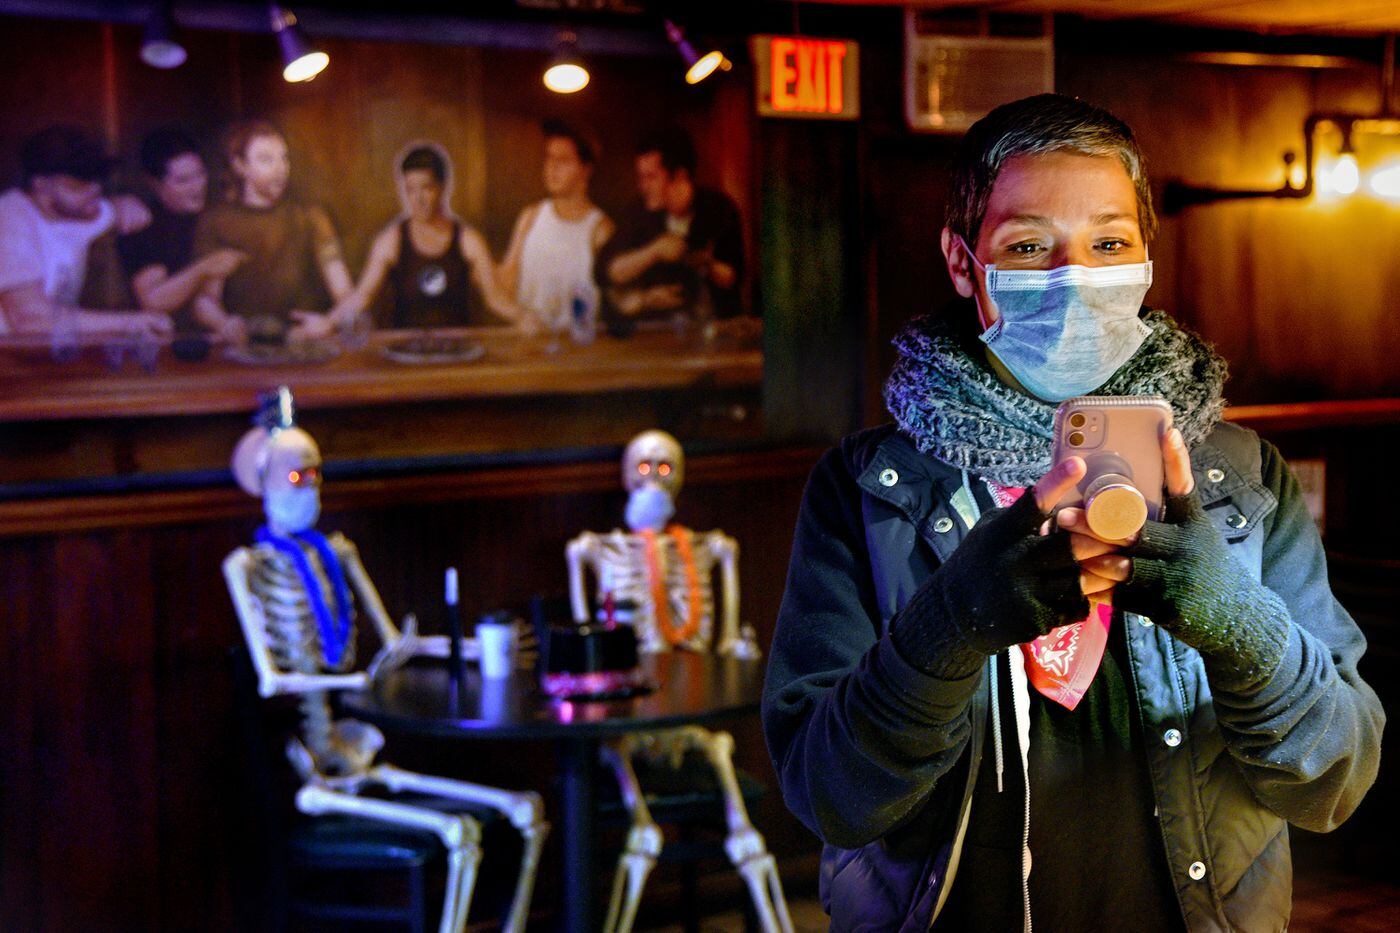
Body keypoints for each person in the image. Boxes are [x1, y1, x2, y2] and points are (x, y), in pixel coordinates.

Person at [762, 94, 1383, 932]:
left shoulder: (1241, 477)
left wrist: (1237, 622)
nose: (1075, 276)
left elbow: (1334, 779)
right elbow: (831, 797)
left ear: (1146, 259)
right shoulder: (869, 487)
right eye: (1027, 245)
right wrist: (947, 626)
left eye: (1109, 243)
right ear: (961, 261)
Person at [0, 125, 171, 342]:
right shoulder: (10, 217)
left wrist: (127, 206)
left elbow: (128, 212)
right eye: (79, 184)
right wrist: (130, 322)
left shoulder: (83, 209)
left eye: (96, 180)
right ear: (41, 185)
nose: (94, 190)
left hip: (42, 353)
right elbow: (28, 318)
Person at [191, 120, 352, 345]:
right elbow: (206, 301)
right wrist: (224, 324)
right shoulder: (217, 221)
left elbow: (345, 293)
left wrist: (329, 322)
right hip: (244, 351)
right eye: (266, 159)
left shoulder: (311, 217)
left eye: (283, 158)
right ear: (240, 166)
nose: (280, 168)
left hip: (302, 347)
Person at [334, 143, 525, 331]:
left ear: (442, 188)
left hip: (457, 352)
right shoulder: (391, 239)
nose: (418, 199)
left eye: (426, 188)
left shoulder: (469, 240)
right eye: (410, 190)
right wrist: (327, 322)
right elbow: (363, 296)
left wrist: (526, 318)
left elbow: (495, 298)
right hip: (405, 353)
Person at [594, 126, 745, 331]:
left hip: (712, 333)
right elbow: (606, 272)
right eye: (641, 177)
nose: (643, 186)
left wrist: (704, 262)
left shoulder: (718, 209)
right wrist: (654, 252)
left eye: (651, 177)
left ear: (680, 176)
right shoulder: (638, 212)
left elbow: (734, 277)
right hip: (655, 335)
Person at [119, 127, 246, 325]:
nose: (197, 186)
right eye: (183, 180)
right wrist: (204, 268)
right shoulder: (143, 225)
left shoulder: (218, 214)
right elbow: (154, 302)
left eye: (200, 174)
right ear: (155, 184)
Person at [499, 120, 613, 337]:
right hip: (528, 347)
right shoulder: (530, 217)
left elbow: (616, 302)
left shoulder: (599, 229)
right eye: (549, 158)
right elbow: (507, 282)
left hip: (577, 351)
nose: (552, 168)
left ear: (585, 170)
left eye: (563, 160)